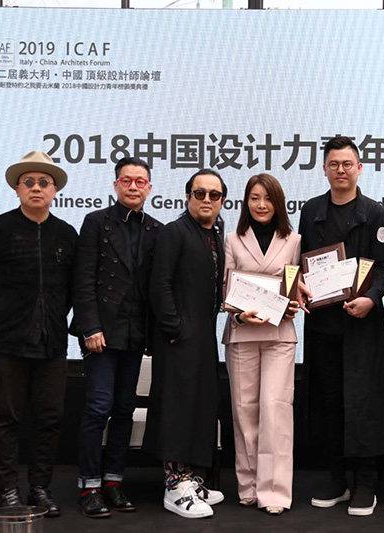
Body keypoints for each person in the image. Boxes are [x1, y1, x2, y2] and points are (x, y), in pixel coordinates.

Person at [0, 150, 77, 516]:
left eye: (44, 182)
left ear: (55, 190)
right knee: (6, 418)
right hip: (4, 343)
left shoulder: (66, 234)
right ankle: (7, 490)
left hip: (51, 344)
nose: (36, 188)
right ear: (17, 189)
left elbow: (74, 290)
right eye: (29, 182)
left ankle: (40, 489)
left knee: (49, 419)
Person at [297, 136, 384, 517]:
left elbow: (383, 267)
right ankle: (336, 478)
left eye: (347, 164)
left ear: (359, 169)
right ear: (324, 169)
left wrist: (372, 297)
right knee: (328, 401)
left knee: (364, 401)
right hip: (323, 325)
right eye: (334, 164)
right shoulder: (311, 210)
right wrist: (298, 284)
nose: (341, 170)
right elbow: (300, 261)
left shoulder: (375, 213)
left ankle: (365, 482)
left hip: (362, 323)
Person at [72, 156, 163, 518]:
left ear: (149, 188)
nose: (133, 187)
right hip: (102, 333)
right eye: (127, 181)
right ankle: (89, 486)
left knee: (124, 408)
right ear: (115, 185)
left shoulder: (157, 230)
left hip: (135, 333)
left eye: (140, 182)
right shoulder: (96, 222)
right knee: (98, 407)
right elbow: (82, 279)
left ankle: (113, 481)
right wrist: (90, 327)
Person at [143, 169, 228, 519]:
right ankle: (174, 486)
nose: (206, 199)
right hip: (177, 336)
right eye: (199, 193)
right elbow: (159, 283)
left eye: (214, 194)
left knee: (199, 406)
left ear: (222, 201)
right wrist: (174, 327)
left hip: (203, 334)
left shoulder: (215, 234)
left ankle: (191, 479)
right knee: (177, 408)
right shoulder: (173, 232)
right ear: (188, 196)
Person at [222, 174, 302, 516]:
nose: (261, 205)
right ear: (246, 202)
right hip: (242, 333)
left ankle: (275, 492)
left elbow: (296, 285)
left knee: (275, 411)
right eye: (254, 198)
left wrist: (293, 303)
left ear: (278, 203)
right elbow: (225, 289)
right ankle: (249, 487)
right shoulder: (232, 239)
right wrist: (239, 314)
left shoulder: (294, 239)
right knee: (245, 412)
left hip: (279, 335)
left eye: (268, 198)